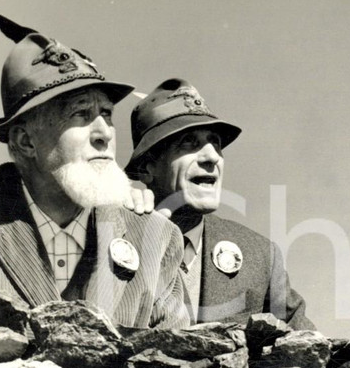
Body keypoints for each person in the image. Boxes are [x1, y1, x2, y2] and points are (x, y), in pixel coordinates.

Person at [0, 14, 190, 329]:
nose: (104, 133)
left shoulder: (156, 238)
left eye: (106, 113)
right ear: (25, 141)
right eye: (80, 114)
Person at [125, 78, 314, 328]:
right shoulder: (114, 236)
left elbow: (313, 347)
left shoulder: (260, 256)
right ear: (148, 168)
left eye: (216, 143)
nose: (212, 157)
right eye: (189, 142)